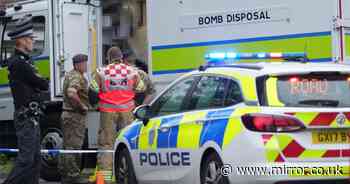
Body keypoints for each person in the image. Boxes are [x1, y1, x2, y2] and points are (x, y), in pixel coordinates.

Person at [3, 15, 49, 184]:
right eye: (30, 38)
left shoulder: (25, 62)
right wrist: (41, 83)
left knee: (35, 161)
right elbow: (43, 83)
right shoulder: (20, 63)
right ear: (21, 41)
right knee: (26, 160)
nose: (32, 41)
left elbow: (39, 83)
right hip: (26, 118)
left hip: (31, 117)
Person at [94, 46, 145, 182]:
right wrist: (133, 102)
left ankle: (105, 180)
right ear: (121, 58)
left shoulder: (101, 72)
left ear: (109, 58)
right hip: (127, 111)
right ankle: (127, 176)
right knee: (127, 143)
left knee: (106, 145)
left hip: (107, 112)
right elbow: (141, 89)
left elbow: (92, 90)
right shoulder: (132, 72)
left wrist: (96, 104)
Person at [59, 54, 90, 184]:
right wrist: (82, 106)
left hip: (68, 115)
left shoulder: (70, 74)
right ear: (78, 65)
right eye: (84, 63)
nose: (86, 65)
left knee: (67, 146)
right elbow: (72, 92)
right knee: (74, 147)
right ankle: (73, 176)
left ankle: (65, 175)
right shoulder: (77, 76)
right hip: (74, 116)